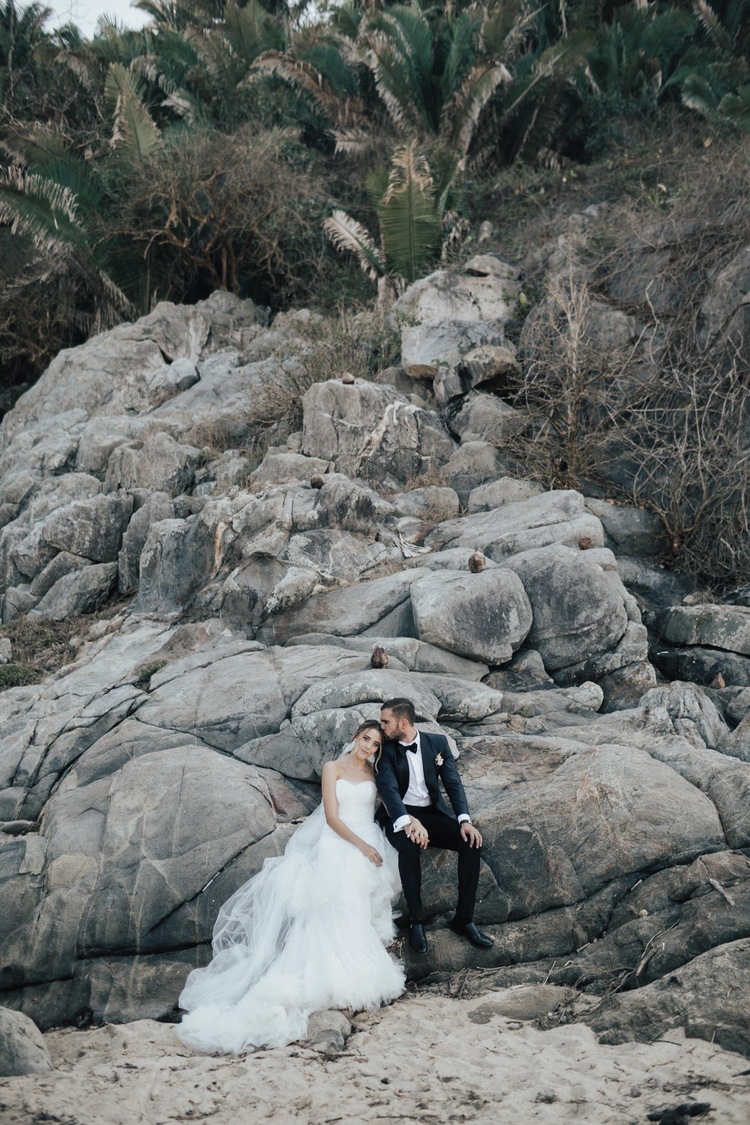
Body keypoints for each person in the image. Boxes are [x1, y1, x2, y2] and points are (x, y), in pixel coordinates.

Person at [177, 721, 404, 1053]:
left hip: (368, 840)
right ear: (355, 737)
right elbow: (331, 817)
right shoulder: (333, 768)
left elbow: (389, 804)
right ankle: (329, 982)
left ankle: (353, 983)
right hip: (338, 841)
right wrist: (362, 846)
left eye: (375, 744)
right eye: (366, 739)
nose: (369, 746)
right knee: (331, 906)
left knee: (355, 907)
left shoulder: (375, 773)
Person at [377, 698, 493, 955]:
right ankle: (416, 921)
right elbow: (389, 791)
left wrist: (464, 821)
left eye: (386, 722)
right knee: (409, 849)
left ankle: (463, 919)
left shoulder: (437, 743)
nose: (381, 726)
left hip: (431, 813)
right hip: (398, 814)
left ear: (404, 723)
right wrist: (408, 823)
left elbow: (453, 783)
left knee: (470, 844)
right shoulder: (385, 749)